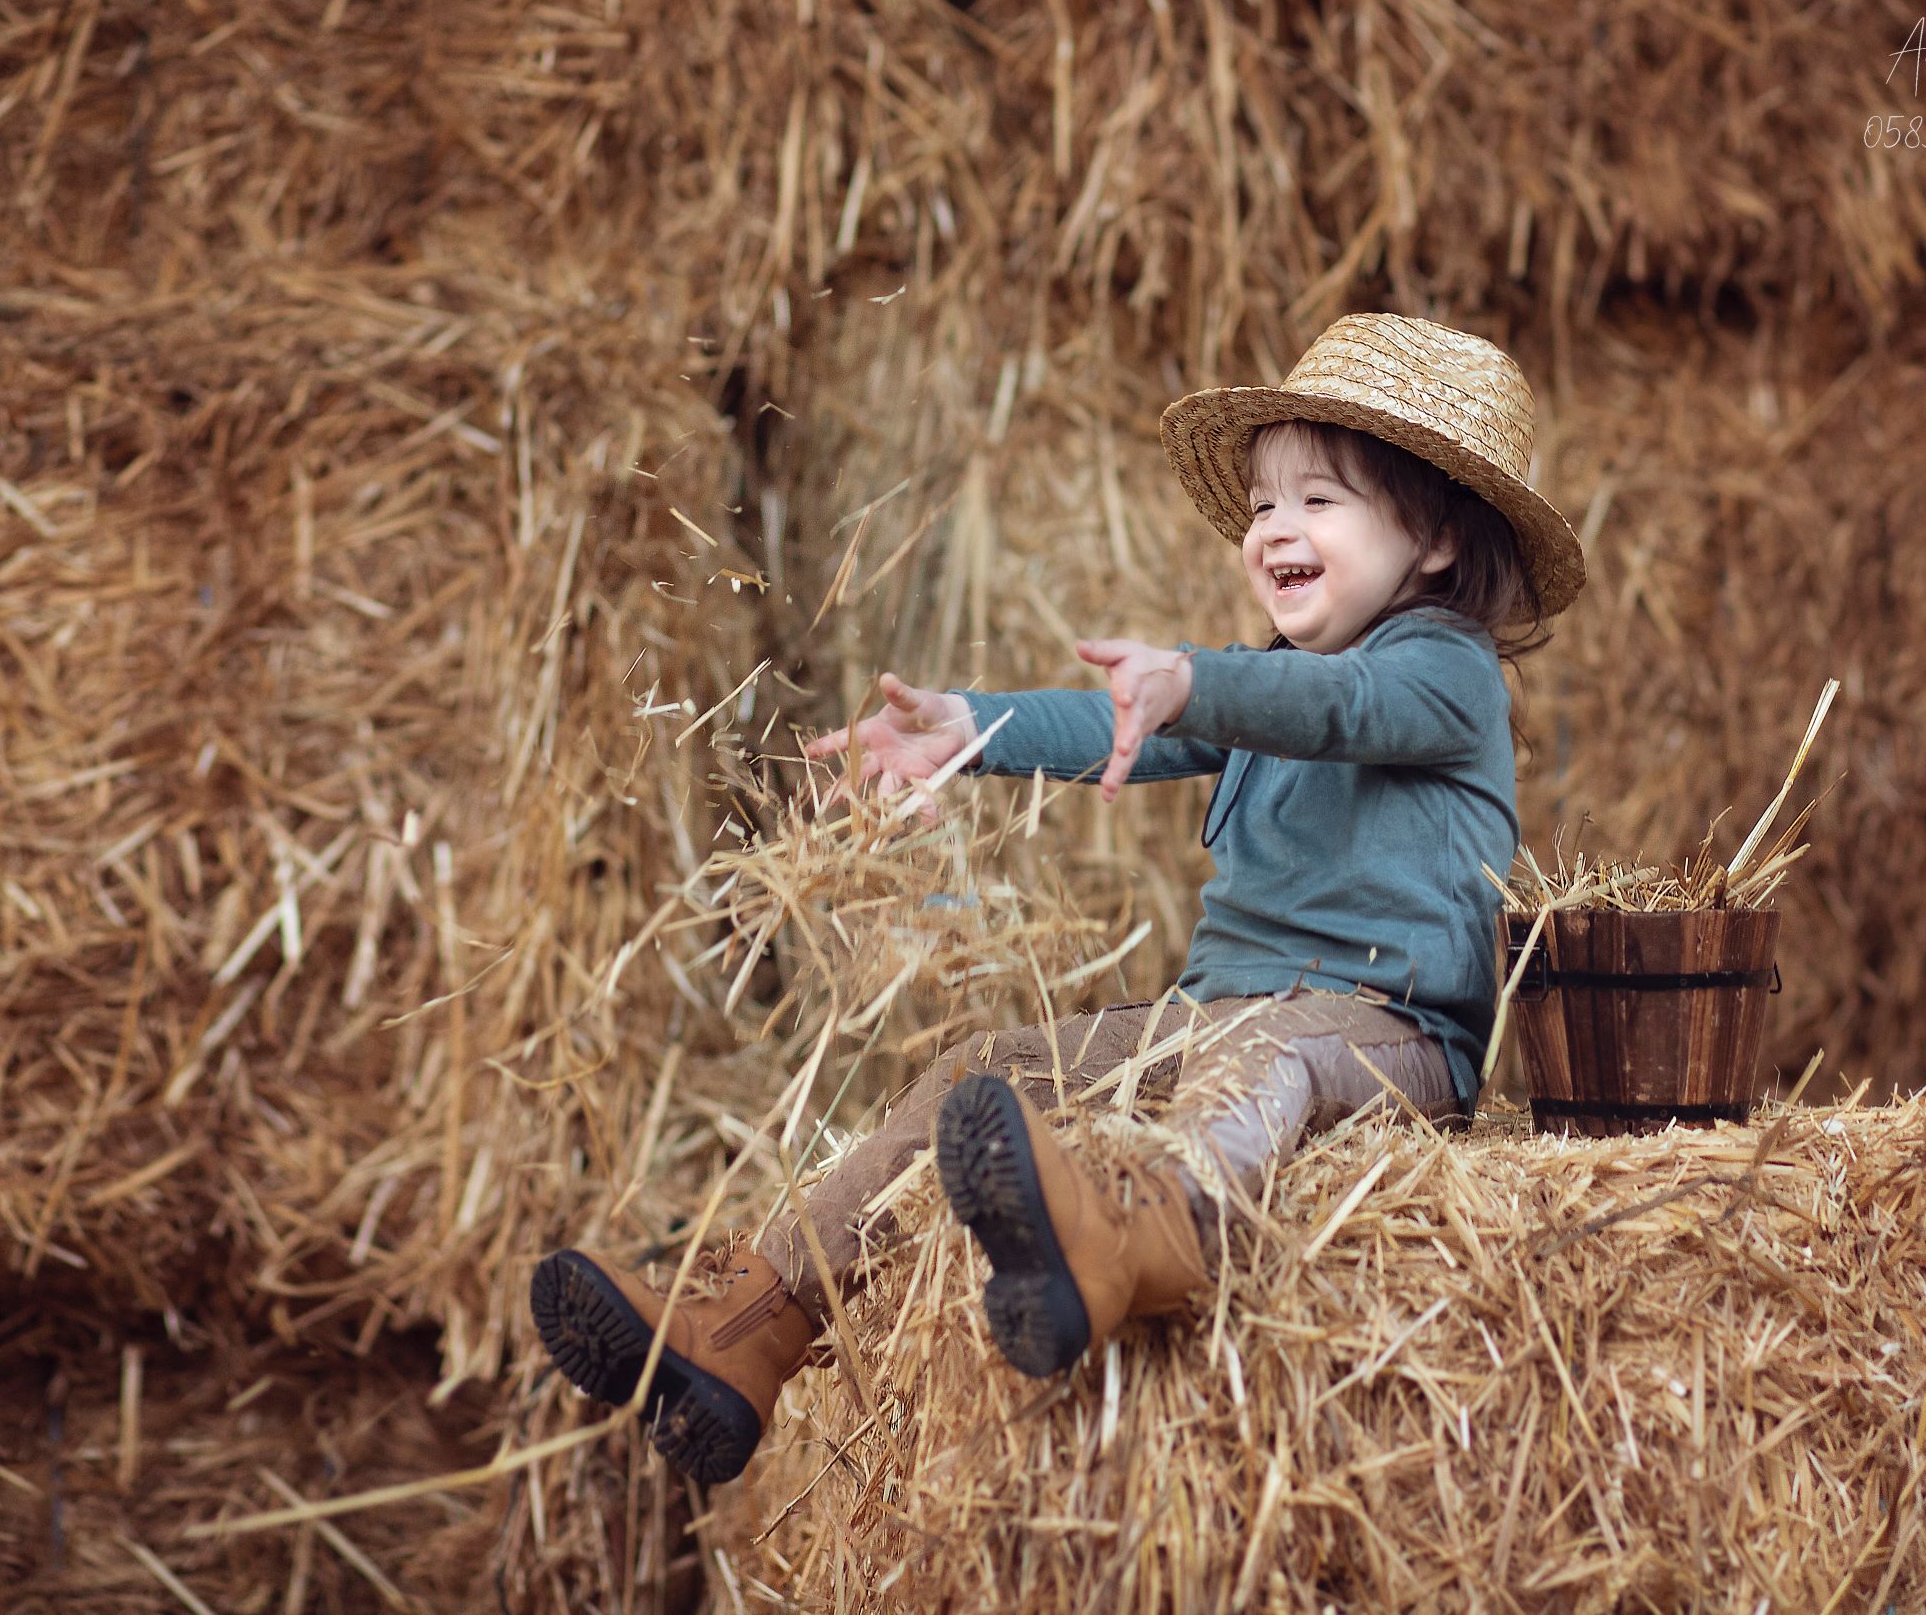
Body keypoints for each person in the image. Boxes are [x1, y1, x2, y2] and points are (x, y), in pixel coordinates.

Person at [530, 313, 1586, 1485]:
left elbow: (1326, 712)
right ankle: (751, 1325)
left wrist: (1192, 682)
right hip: (1213, 1021)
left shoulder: (1445, 673)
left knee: (1271, 1057)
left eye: (1318, 502)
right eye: (1259, 508)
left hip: (1389, 1045)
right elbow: (1114, 721)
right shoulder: (1261, 683)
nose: (1273, 528)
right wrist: (965, 729)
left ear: (1435, 536)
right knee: (992, 1063)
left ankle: (1146, 1233)